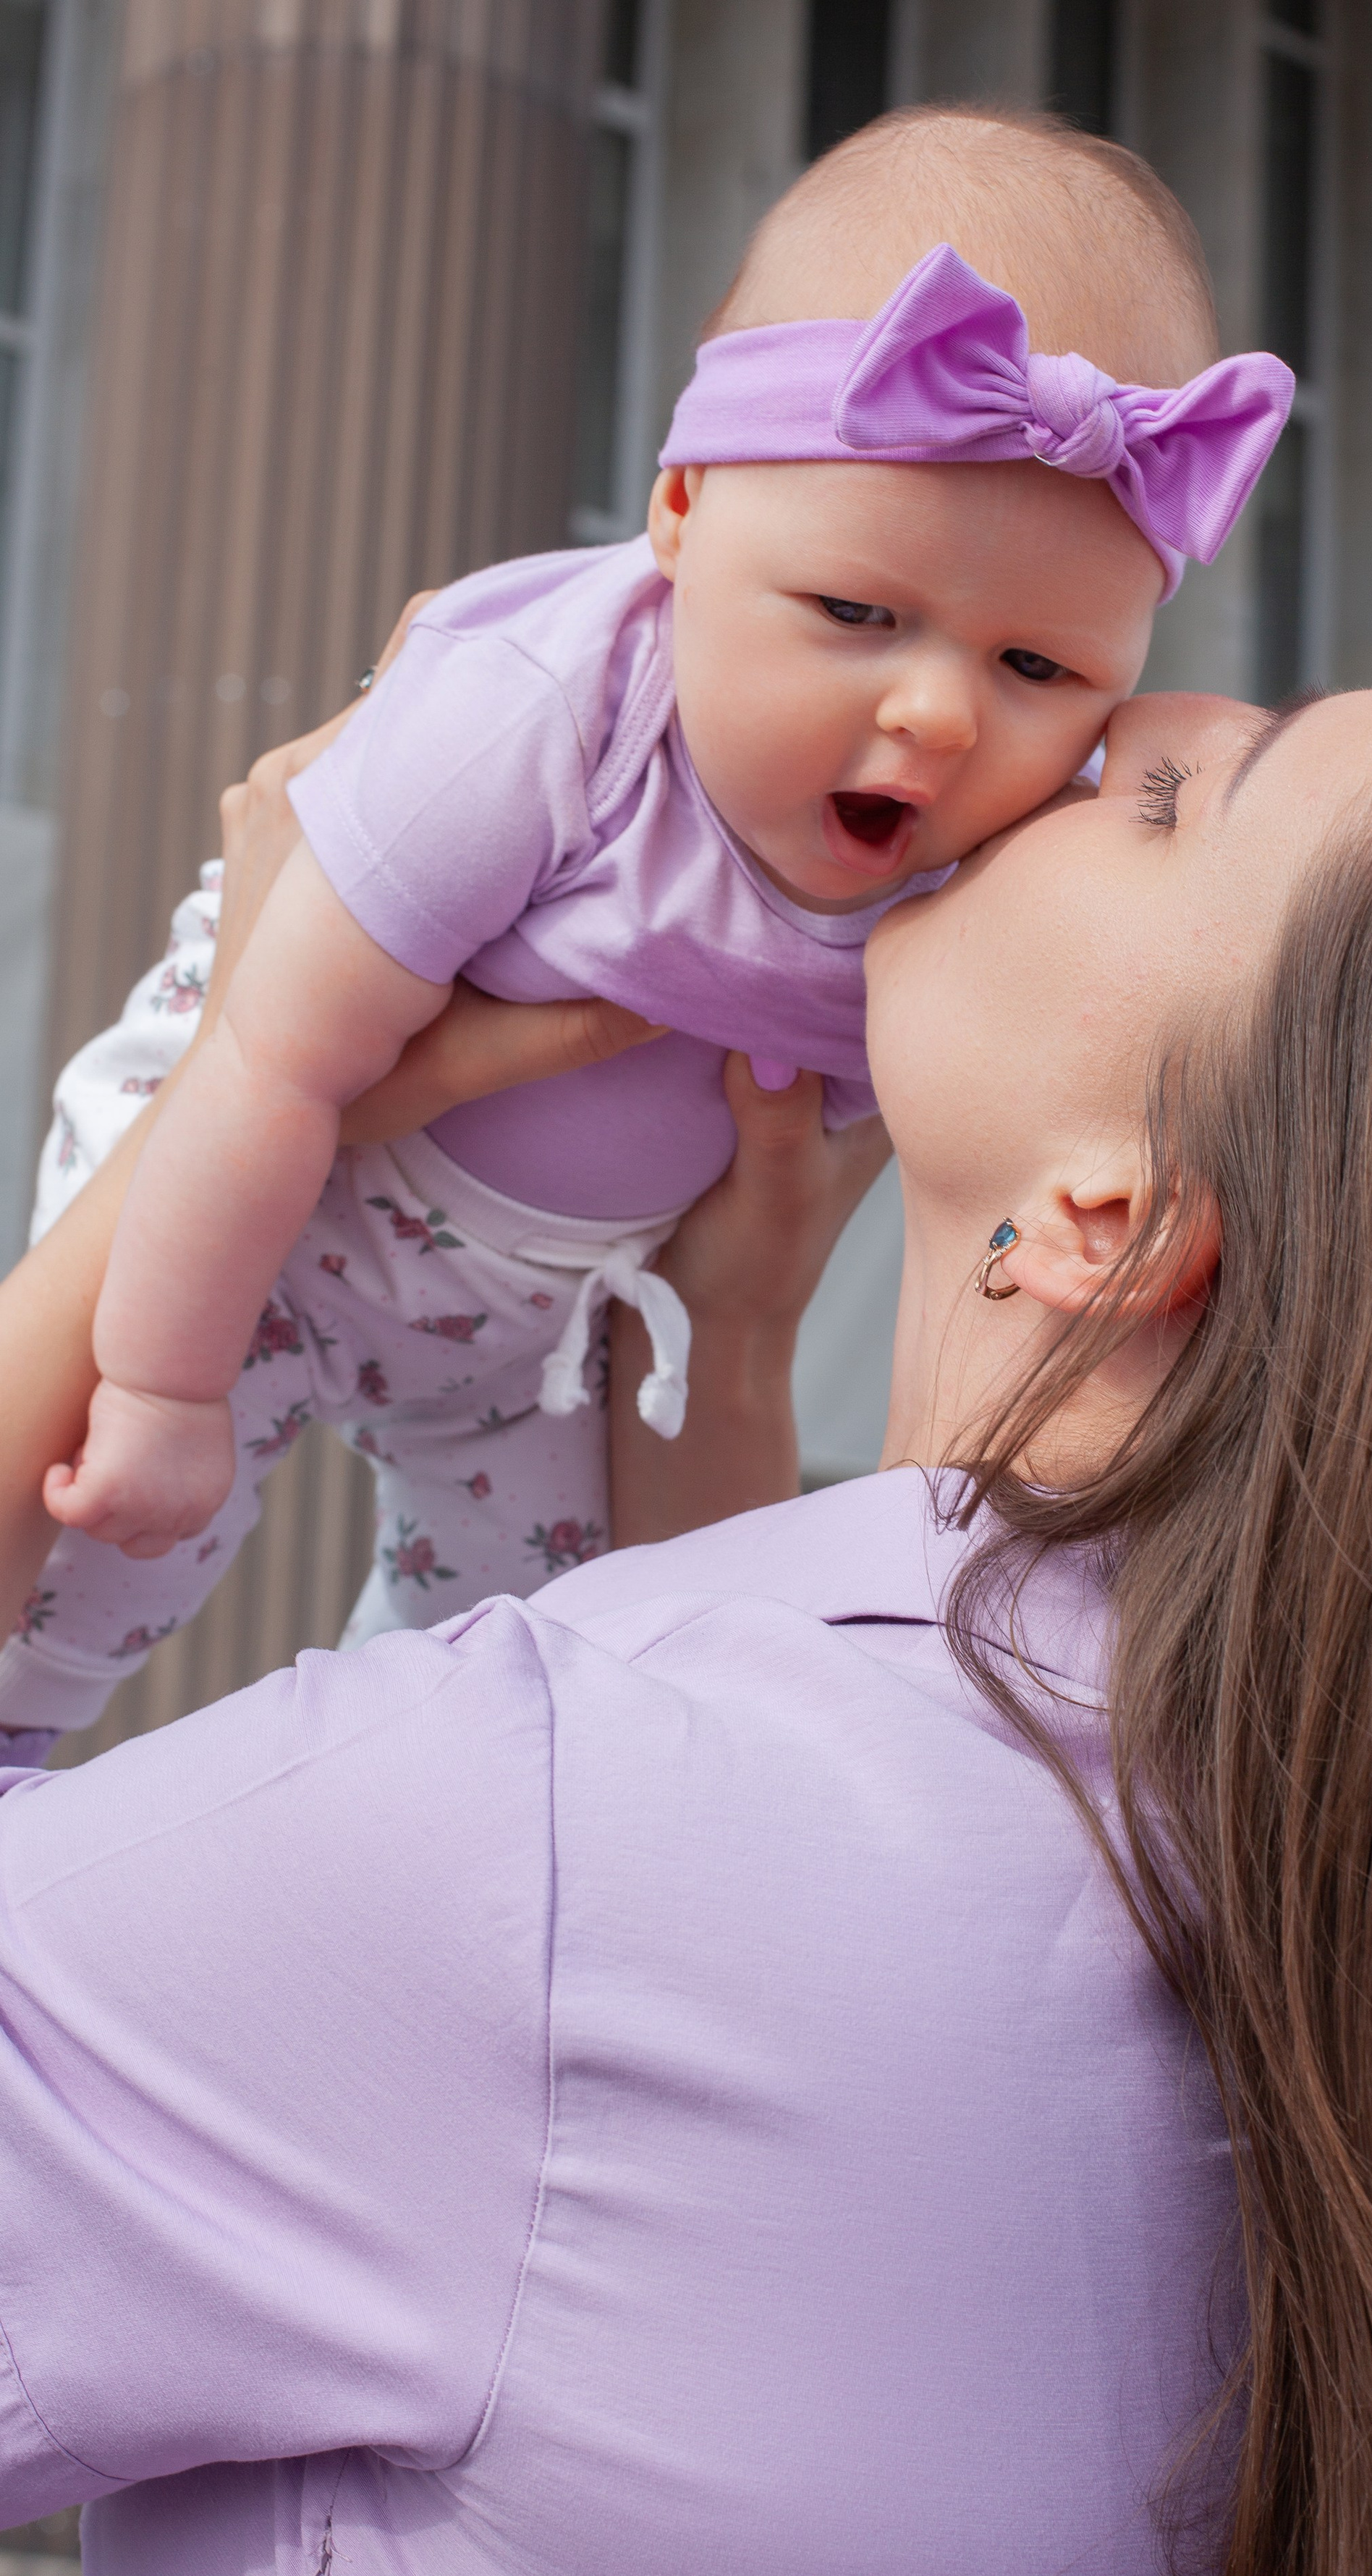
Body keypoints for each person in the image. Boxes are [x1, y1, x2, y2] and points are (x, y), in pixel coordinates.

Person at [0, 674, 1372, 2576]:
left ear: (1110, 1223)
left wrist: (241, 1080)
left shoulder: (556, 1842)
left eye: (1168, 797)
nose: (1098, 711)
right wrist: (717, 1343)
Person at [4, 104, 1290, 1736]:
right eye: (854, 612)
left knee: (538, 1687)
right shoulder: (544, 710)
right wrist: (166, 1385)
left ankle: (396, 1816)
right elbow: (265, 1060)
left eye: (1034, 669)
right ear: (680, 517)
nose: (940, 715)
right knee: (95, 1546)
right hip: (262, 1196)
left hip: (556, 1328)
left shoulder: (984, 877)